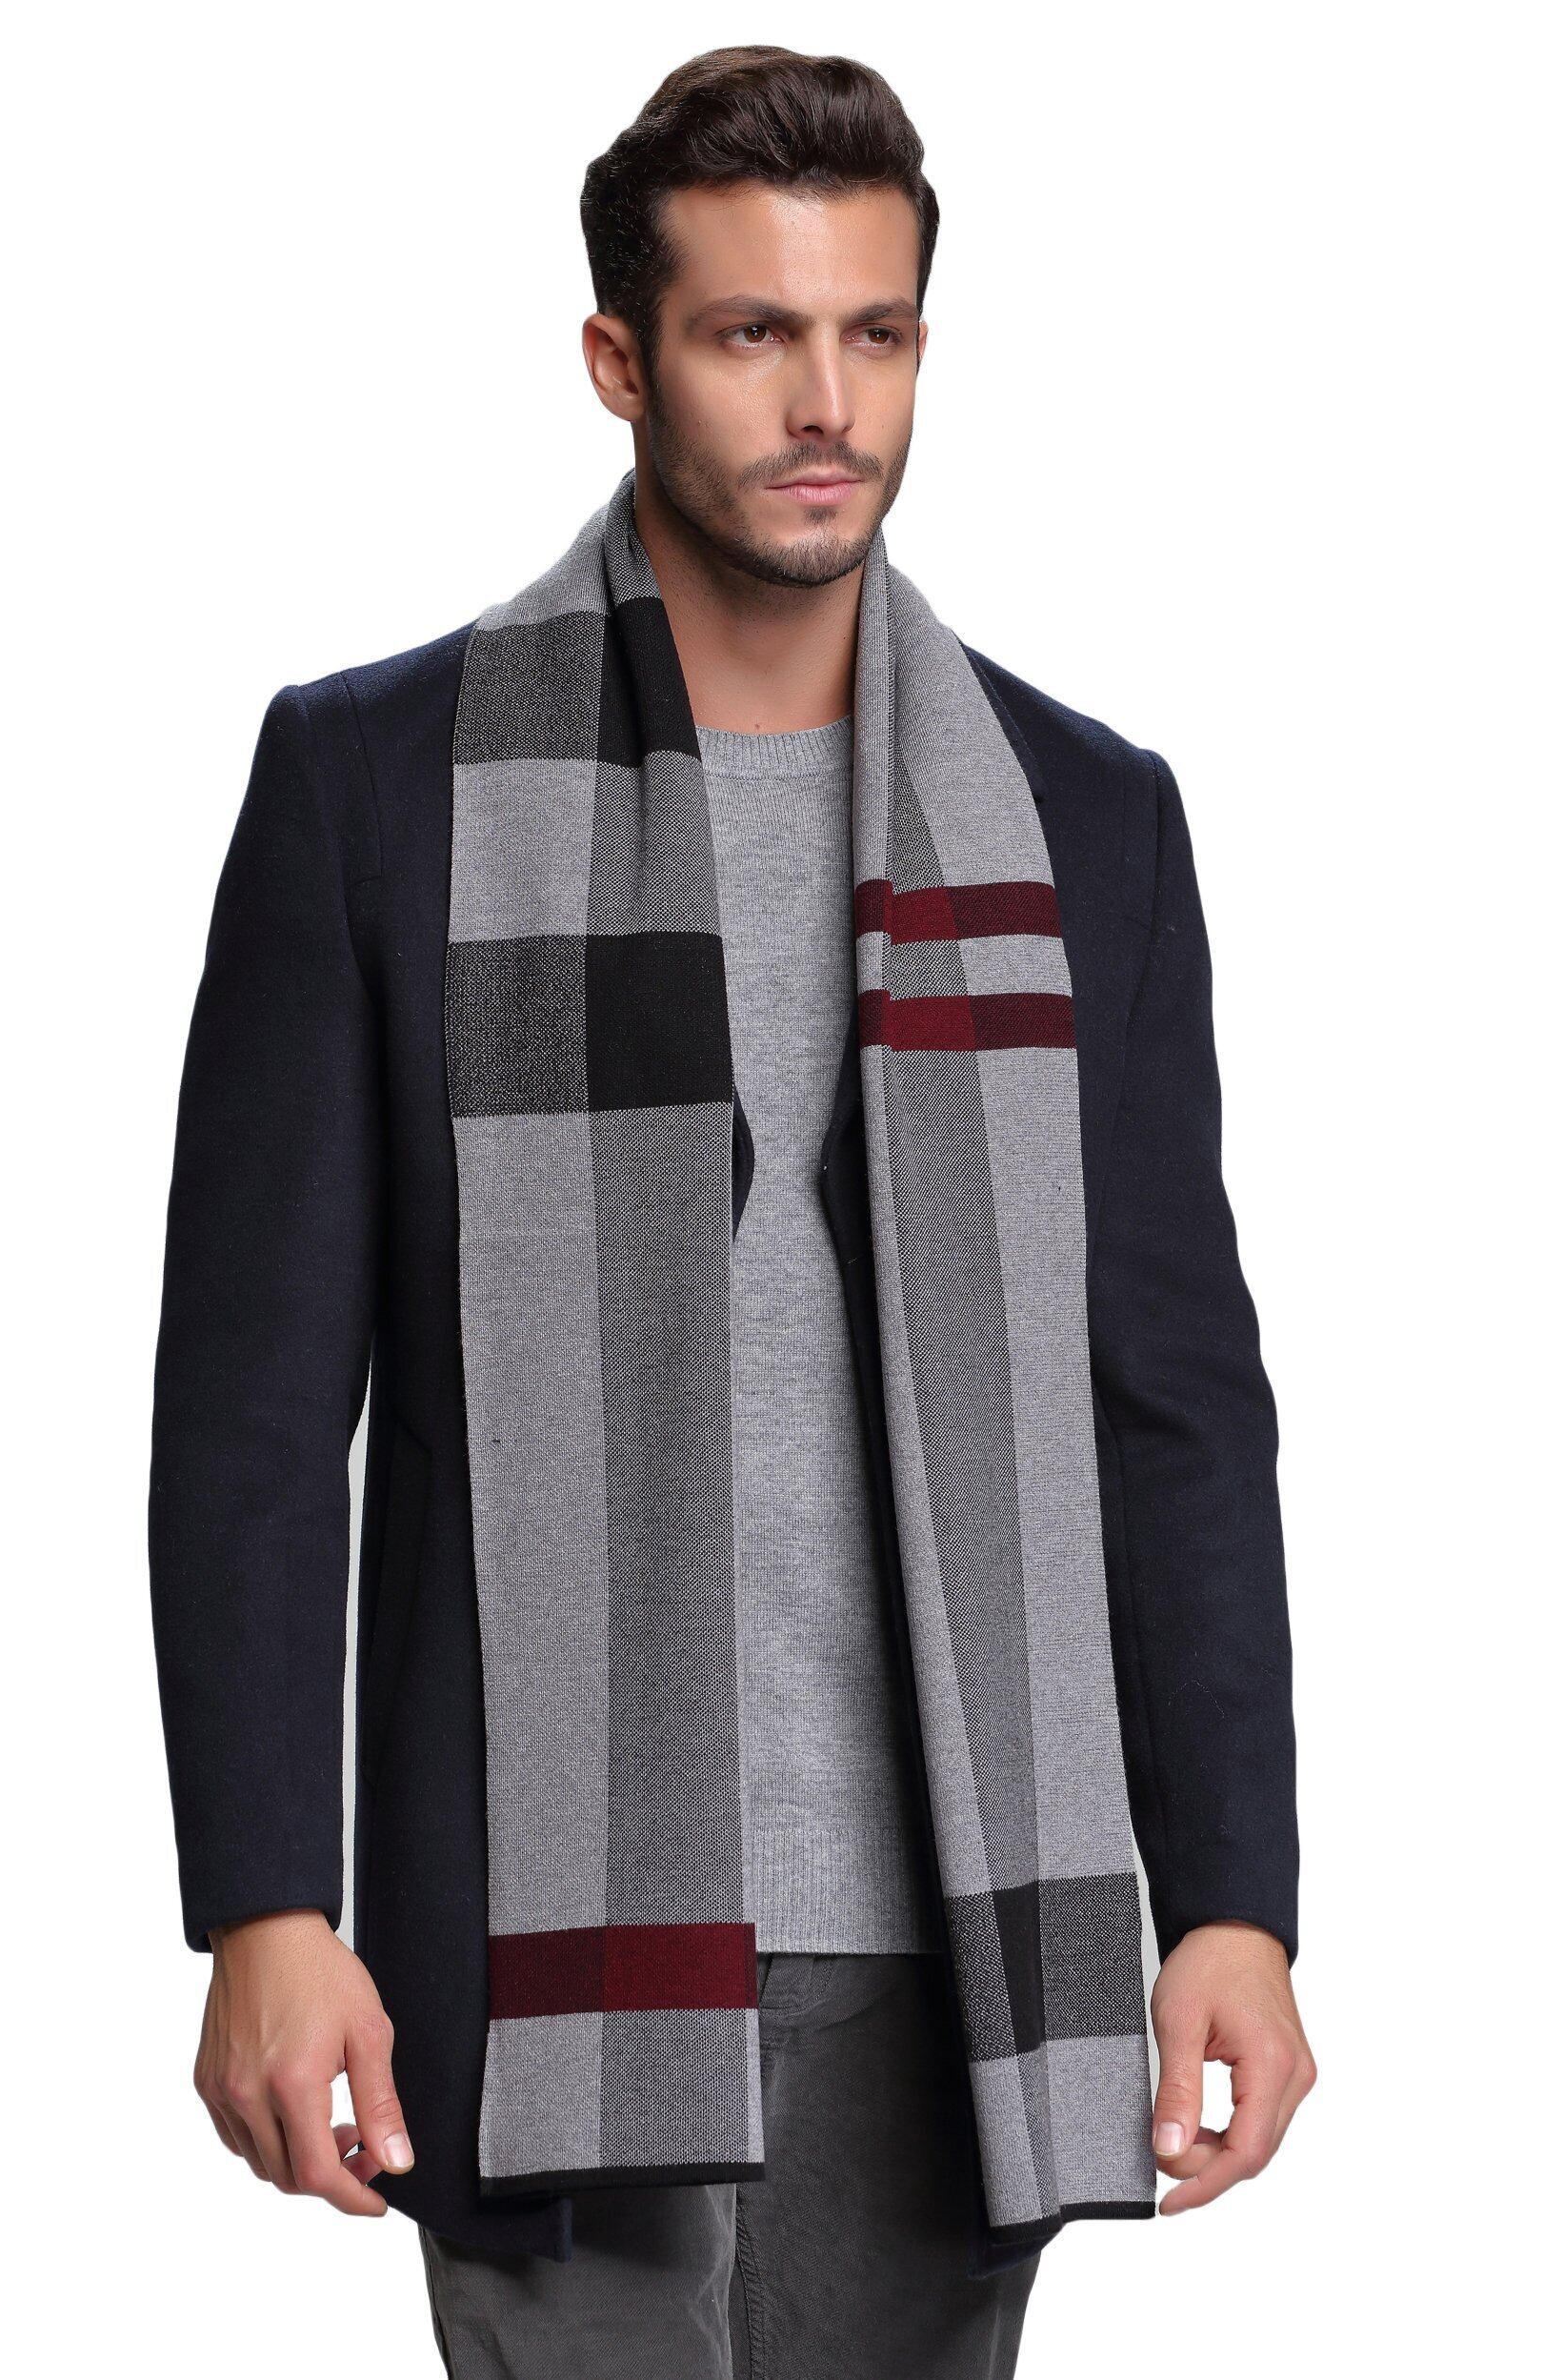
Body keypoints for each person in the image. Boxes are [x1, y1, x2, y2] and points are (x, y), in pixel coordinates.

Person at [149, 44, 1314, 2379]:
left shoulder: (1085, 819)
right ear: (620, 359)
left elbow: (1175, 1403)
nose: (826, 405)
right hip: (546, 1931)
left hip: (970, 1941)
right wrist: (265, 1901)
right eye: (752, 332)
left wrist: (1238, 1903)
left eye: (876, 333)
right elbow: (256, 1411)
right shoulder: (378, 789)